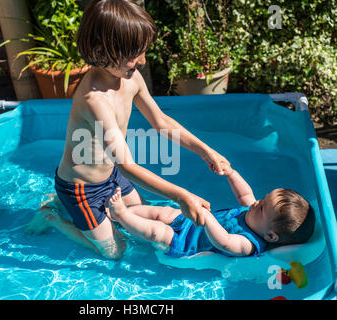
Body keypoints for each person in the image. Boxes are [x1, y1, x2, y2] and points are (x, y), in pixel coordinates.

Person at [27, 0, 231, 259]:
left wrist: (206, 151)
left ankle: (60, 203)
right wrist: (182, 195)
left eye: (143, 51)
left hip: (111, 177)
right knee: (115, 251)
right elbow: (127, 165)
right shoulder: (95, 100)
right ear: (102, 50)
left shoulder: (130, 78)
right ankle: (53, 217)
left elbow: (161, 122)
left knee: (141, 223)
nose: (142, 61)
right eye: (134, 54)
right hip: (82, 188)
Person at [105, 165, 316, 257]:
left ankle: (122, 215)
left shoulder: (249, 244)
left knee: (157, 232)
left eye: (262, 207)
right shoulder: (254, 214)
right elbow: (245, 195)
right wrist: (231, 173)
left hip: (186, 243)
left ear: (270, 235)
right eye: (262, 199)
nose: (256, 202)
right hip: (189, 222)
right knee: (163, 213)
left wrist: (206, 217)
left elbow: (224, 241)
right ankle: (122, 212)